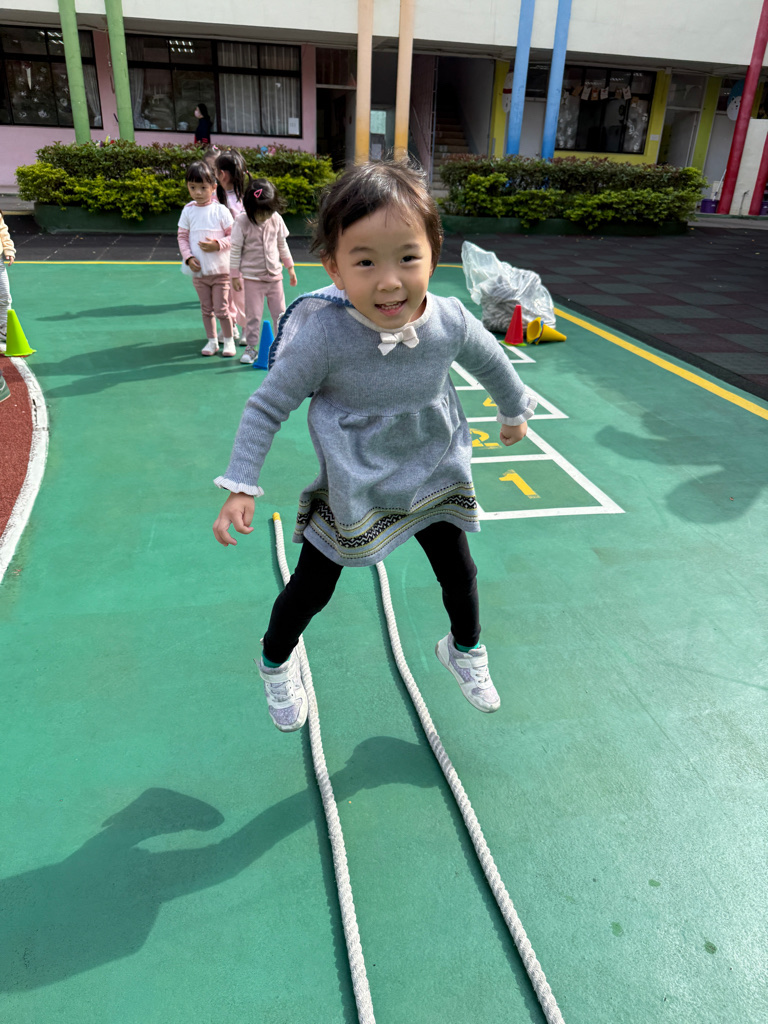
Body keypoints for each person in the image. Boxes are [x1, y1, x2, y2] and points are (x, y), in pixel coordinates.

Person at [212, 161, 536, 733]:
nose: (389, 282)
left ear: (433, 255)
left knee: (458, 570)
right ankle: (274, 659)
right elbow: (268, 404)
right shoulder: (325, 336)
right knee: (314, 586)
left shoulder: (449, 320)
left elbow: (492, 361)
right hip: (355, 481)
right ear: (335, 269)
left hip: (433, 469)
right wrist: (241, 483)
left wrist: (513, 411)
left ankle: (464, 648)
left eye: (407, 258)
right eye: (365, 262)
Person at [228, 178, 298, 365]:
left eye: (267, 211)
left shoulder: (276, 219)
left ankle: (281, 347)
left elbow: (282, 245)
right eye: (259, 213)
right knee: (253, 316)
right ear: (249, 208)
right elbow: (235, 250)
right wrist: (234, 275)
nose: (264, 217)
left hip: (275, 277)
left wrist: (290, 267)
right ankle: (251, 348)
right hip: (252, 279)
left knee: (280, 314)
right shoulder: (242, 222)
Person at [177, 161, 236, 357]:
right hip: (199, 271)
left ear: (213, 187)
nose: (198, 192)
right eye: (192, 187)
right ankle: (212, 341)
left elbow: (233, 235)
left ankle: (228, 340)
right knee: (206, 309)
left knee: (222, 309)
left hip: (220, 271)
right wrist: (188, 258)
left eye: (203, 187)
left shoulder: (221, 210)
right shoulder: (188, 210)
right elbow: (182, 237)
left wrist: (218, 244)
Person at [215, 149, 251, 345]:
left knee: (237, 294)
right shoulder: (218, 197)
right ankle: (231, 327)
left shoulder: (238, 200)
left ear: (222, 174)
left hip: (235, 256)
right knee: (227, 294)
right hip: (225, 256)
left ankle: (245, 327)